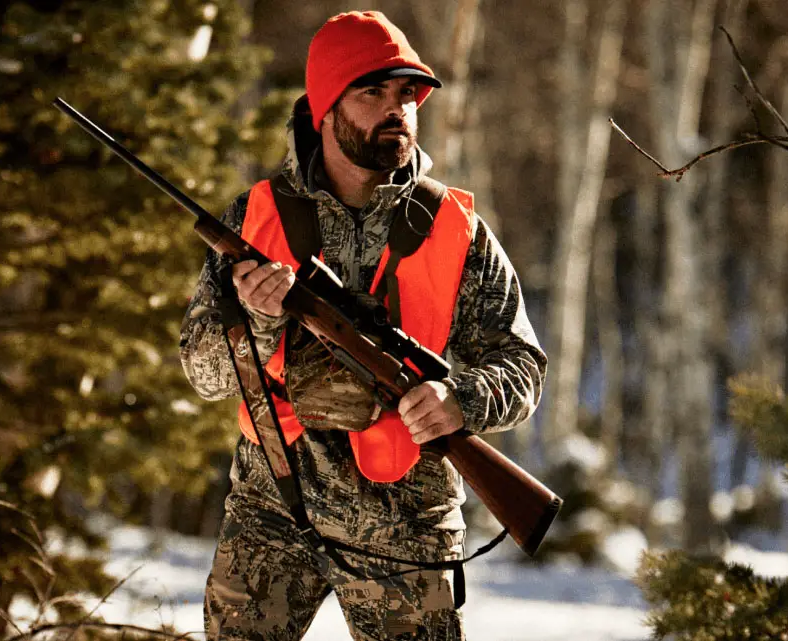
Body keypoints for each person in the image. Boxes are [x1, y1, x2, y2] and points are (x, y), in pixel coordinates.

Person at [180, 10, 546, 641]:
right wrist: (261, 323)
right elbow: (204, 372)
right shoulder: (254, 219)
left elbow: (522, 365)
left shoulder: (454, 227)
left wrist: (458, 400)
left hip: (407, 525)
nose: (396, 108)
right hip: (273, 510)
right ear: (326, 108)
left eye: (407, 93)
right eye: (372, 91)